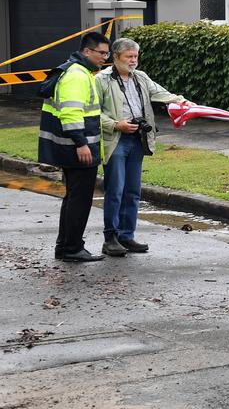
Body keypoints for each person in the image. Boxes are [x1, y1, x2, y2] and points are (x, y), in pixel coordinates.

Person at [95, 37, 190, 257]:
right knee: (115, 191)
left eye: (135, 56)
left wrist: (183, 102)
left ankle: (127, 236)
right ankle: (111, 238)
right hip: (116, 139)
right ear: (116, 57)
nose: (133, 61)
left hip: (138, 139)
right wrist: (115, 124)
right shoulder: (102, 80)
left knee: (133, 191)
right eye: (129, 57)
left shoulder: (141, 77)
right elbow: (92, 112)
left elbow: (162, 94)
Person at [40, 31, 111, 262]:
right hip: (78, 148)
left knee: (73, 197)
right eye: (101, 53)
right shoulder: (77, 75)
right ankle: (72, 248)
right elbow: (71, 113)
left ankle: (66, 246)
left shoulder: (76, 71)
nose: (105, 57)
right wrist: (81, 144)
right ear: (87, 51)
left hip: (71, 146)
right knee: (79, 199)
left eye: (107, 53)